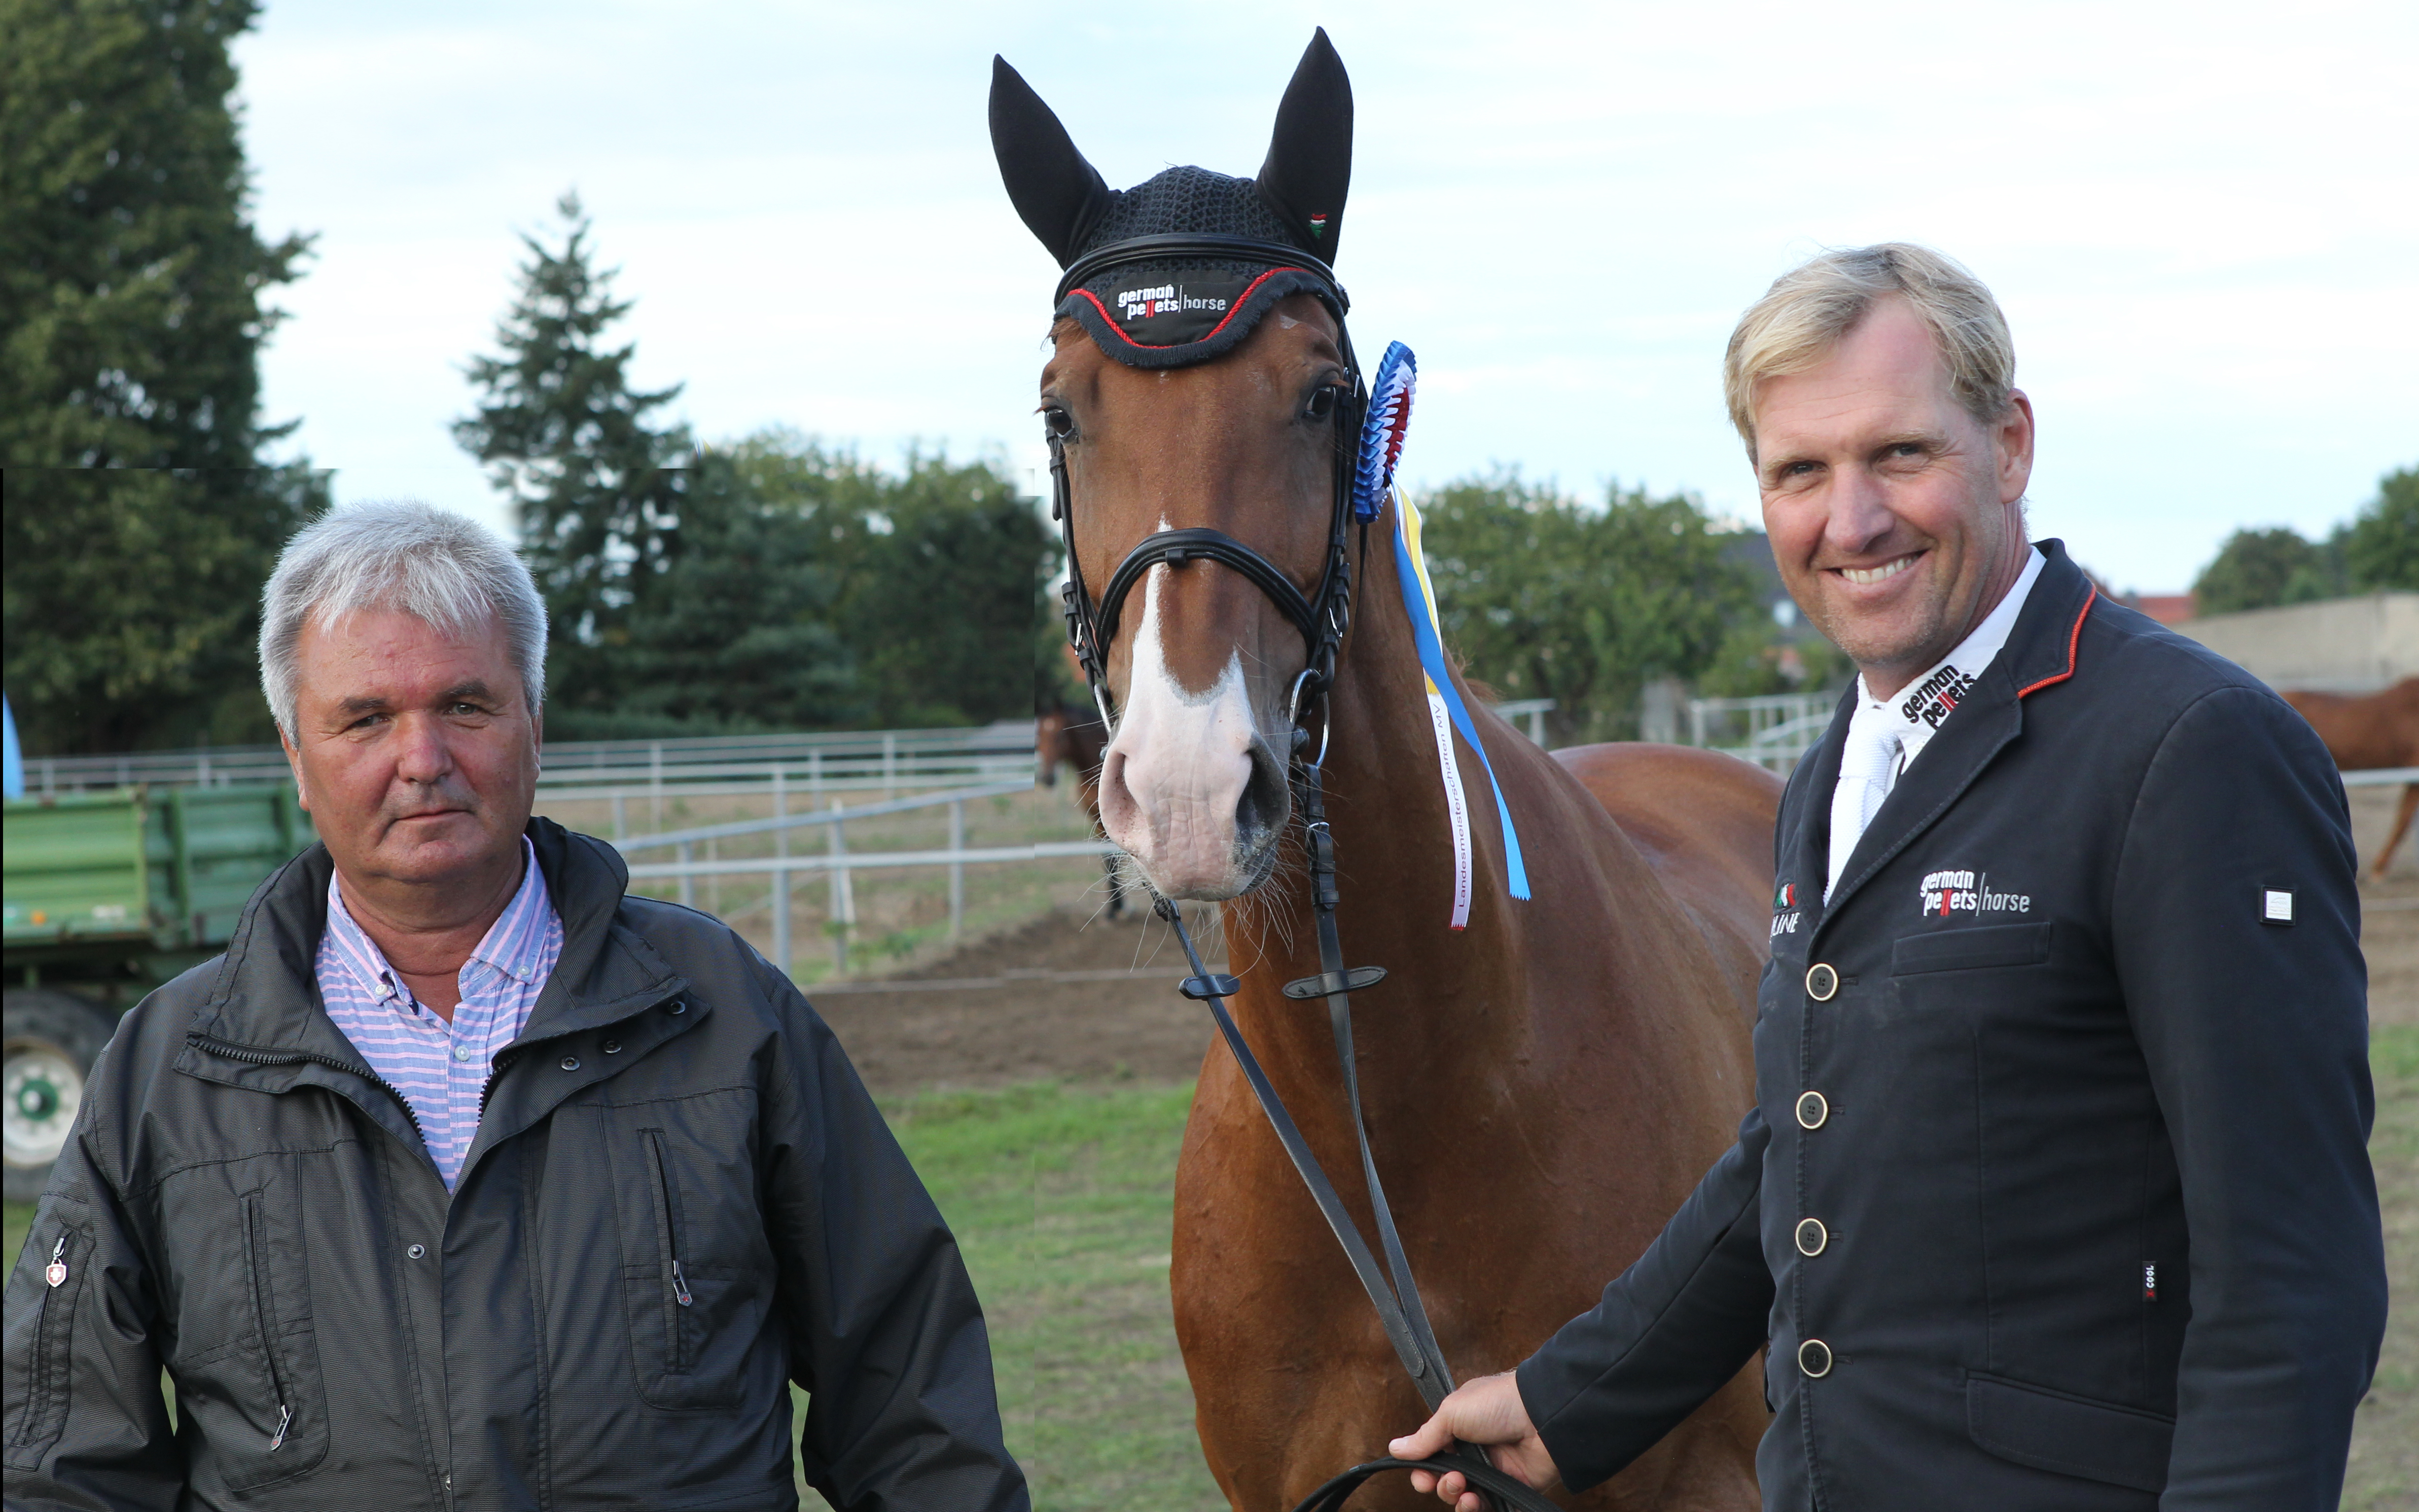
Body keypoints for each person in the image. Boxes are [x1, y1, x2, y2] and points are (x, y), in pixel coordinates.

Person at [1390, 245, 2385, 1510]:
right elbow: (1805, 1145)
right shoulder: (1839, 772)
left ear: (2010, 445)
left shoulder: (2188, 750)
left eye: (1899, 455)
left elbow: (2293, 1278)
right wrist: (1563, 1403)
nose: (1849, 521)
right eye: (1800, 471)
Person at [1, 502, 1027, 1511]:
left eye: (465, 706)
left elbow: (908, 1397)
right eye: (365, 718)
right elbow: (64, 1461)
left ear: (534, 724)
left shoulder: (718, 1009)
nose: (422, 759)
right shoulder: (174, 1066)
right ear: (295, 760)